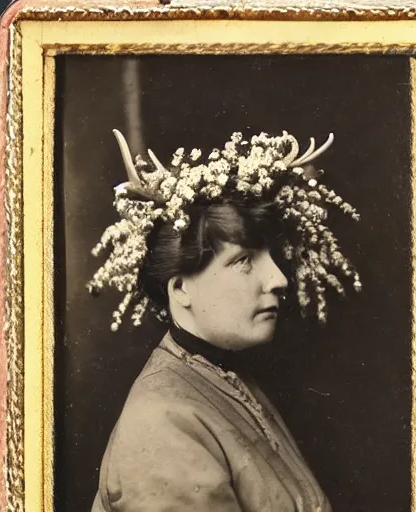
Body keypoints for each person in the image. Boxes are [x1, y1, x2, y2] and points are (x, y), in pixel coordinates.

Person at [88, 129, 361, 512]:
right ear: (181, 288)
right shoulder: (164, 423)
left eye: (270, 256)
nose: (279, 279)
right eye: (243, 260)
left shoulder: (219, 377)